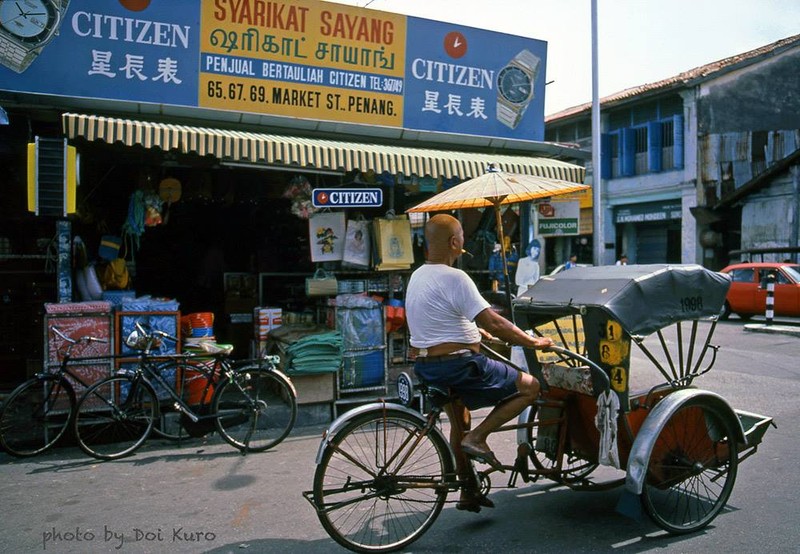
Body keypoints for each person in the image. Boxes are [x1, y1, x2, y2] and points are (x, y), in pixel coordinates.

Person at [405, 214, 554, 512]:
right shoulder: (456, 277)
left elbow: (444, 319)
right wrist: (532, 341)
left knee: (458, 422)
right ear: (455, 242)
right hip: (459, 365)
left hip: (428, 365)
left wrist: (474, 331)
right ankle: (479, 437)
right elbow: (496, 323)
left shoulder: (418, 275)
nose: (464, 242)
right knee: (530, 387)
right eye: (462, 237)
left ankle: (468, 490)